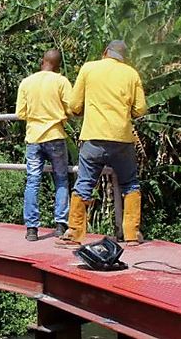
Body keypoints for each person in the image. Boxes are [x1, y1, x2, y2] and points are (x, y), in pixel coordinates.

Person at [58, 40, 148, 247]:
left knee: (84, 183)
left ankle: (74, 233)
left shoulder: (89, 68)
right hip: (122, 139)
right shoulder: (131, 73)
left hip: (93, 137)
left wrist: (81, 111)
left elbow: (74, 105)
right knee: (130, 184)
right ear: (123, 56)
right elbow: (140, 109)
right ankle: (132, 234)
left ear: (105, 52)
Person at [15, 49, 72, 242]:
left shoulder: (26, 82)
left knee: (32, 181)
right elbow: (71, 108)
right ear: (58, 66)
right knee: (62, 179)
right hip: (55, 135)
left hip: (33, 139)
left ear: (42, 62)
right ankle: (60, 224)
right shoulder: (61, 81)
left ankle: (32, 229)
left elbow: (21, 113)